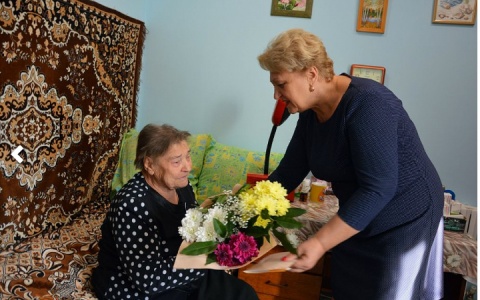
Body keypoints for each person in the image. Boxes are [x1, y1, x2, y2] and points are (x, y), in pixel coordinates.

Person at [258, 29, 444, 300]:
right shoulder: (311, 113)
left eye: (281, 84)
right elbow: (288, 173)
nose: (276, 96)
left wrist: (320, 242)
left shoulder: (368, 103)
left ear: (311, 74)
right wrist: (237, 209)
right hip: (359, 216)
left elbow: (378, 188)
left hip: (404, 218)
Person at [92, 124, 258, 300]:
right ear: (149, 164)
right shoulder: (131, 204)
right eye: (177, 161)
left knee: (244, 294)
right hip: (140, 286)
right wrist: (205, 261)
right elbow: (146, 280)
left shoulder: (182, 187)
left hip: (182, 270)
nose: (187, 167)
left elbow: (194, 230)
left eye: (188, 156)